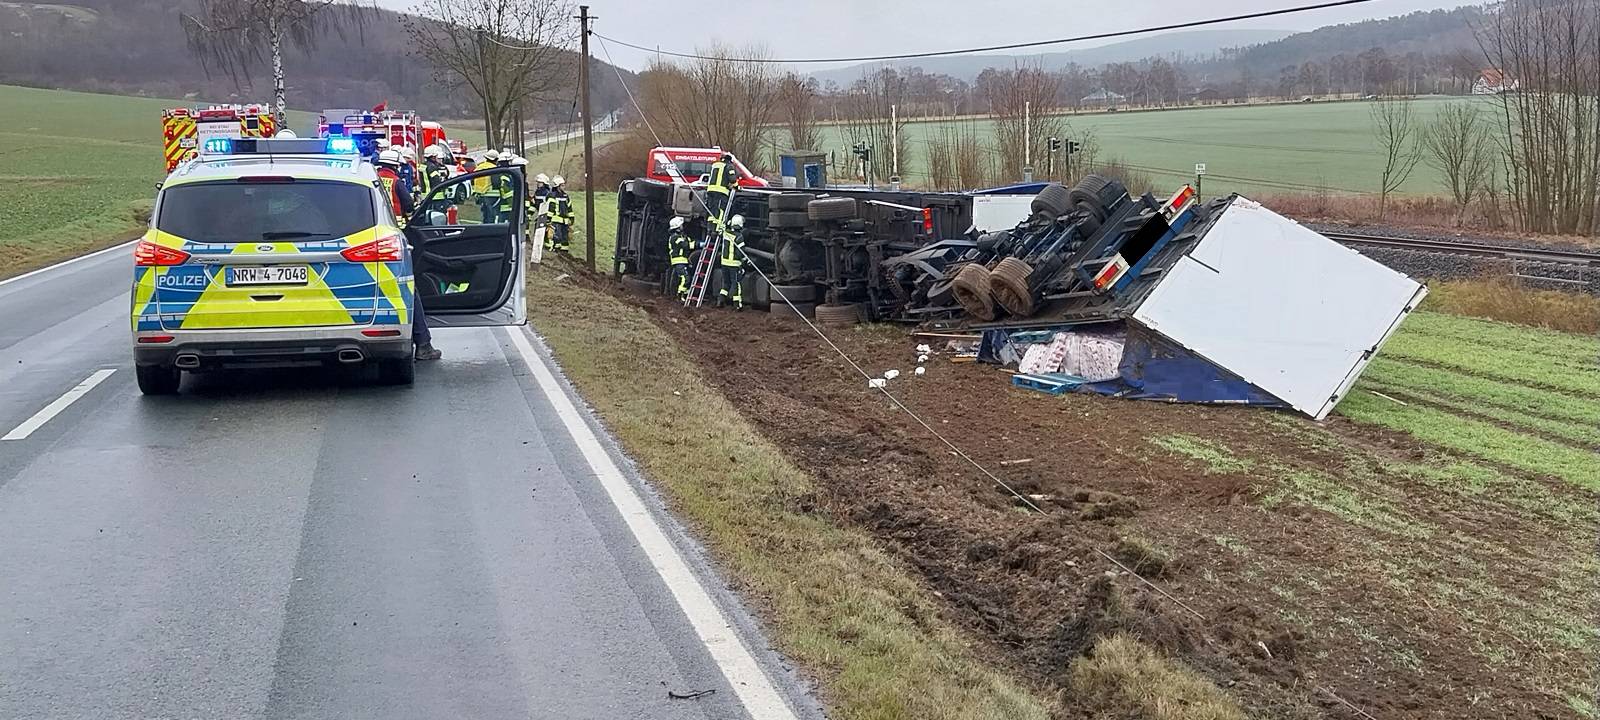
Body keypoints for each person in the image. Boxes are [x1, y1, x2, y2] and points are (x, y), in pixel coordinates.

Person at [377, 150, 440, 361]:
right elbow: (408, 206)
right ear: (395, 166)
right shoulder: (395, 182)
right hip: (394, 240)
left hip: (367, 242)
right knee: (408, 289)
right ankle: (423, 343)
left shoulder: (370, 180)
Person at [716, 214, 747, 310]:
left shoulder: (726, 233)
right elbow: (740, 253)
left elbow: (719, 231)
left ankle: (720, 301)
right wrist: (744, 260)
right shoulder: (739, 237)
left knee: (726, 283)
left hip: (724, 263)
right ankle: (737, 305)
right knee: (735, 284)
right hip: (734, 264)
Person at [666, 215, 696, 300]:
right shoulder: (674, 238)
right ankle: (680, 294)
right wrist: (699, 244)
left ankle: (685, 295)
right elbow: (686, 245)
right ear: (677, 227)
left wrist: (697, 242)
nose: (682, 226)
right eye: (681, 225)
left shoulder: (682, 236)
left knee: (687, 277)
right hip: (678, 261)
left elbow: (690, 241)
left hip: (683, 261)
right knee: (685, 278)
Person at [545, 175, 574, 252]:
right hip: (555, 221)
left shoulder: (565, 196)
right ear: (557, 186)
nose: (564, 187)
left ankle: (565, 254)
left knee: (565, 239)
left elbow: (569, 208)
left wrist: (571, 218)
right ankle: (556, 253)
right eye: (562, 185)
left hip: (565, 222)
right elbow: (550, 209)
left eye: (564, 185)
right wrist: (548, 220)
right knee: (557, 238)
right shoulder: (552, 196)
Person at [705, 153, 735, 226]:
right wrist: (736, 186)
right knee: (720, 211)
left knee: (711, 211)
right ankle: (717, 228)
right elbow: (733, 179)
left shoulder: (714, 165)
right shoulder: (729, 166)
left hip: (710, 191)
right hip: (721, 192)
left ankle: (710, 228)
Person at [497, 155, 524, 225]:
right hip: (507, 207)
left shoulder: (504, 174)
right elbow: (507, 192)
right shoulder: (505, 176)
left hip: (506, 206)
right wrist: (513, 204)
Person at [475, 150, 500, 223]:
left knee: (485, 215)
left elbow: (472, 181)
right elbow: (496, 182)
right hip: (492, 196)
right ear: (495, 159)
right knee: (491, 215)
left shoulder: (479, 167)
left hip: (480, 195)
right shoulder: (494, 168)